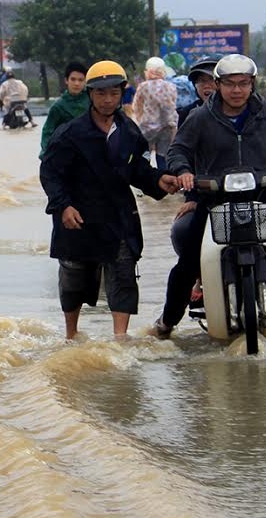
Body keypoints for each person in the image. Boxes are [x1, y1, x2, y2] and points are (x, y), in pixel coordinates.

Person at [153, 54, 266, 337]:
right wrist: (184, 171)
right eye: (230, 84)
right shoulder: (200, 117)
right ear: (218, 85)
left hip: (265, 195)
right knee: (188, 263)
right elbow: (179, 150)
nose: (237, 90)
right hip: (214, 198)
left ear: (252, 84)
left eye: (243, 84)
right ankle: (167, 324)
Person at [40, 60, 179, 340]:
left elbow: (138, 170)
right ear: (90, 94)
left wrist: (158, 180)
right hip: (78, 214)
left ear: (122, 93)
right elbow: (50, 173)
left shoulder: (129, 132)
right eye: (101, 93)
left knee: (123, 274)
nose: (107, 100)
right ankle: (71, 335)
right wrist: (63, 205)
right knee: (73, 278)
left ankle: (120, 340)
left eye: (114, 93)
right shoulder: (70, 134)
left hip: (118, 214)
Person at [132, 56, 179, 170]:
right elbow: (173, 104)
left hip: (147, 127)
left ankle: (147, 177)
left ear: (147, 72)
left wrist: (138, 121)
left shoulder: (143, 86)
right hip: (167, 126)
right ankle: (164, 178)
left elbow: (136, 107)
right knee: (162, 155)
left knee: (145, 154)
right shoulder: (171, 86)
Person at [38, 61, 89, 159]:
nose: (76, 83)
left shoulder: (92, 99)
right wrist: (49, 153)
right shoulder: (58, 106)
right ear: (66, 80)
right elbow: (47, 132)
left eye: (80, 80)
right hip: (68, 152)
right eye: (73, 79)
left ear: (85, 81)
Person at [177, 58, 218, 127]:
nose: (206, 85)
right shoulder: (185, 115)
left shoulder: (237, 114)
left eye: (211, 79)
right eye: (201, 80)